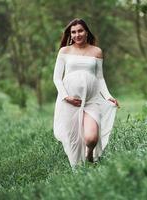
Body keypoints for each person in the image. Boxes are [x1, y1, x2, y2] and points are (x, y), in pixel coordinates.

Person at [53, 18, 119, 168]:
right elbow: (57, 78)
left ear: (86, 32)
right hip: (70, 101)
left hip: (91, 100)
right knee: (74, 138)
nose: (77, 35)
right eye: (73, 32)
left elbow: (100, 78)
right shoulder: (64, 51)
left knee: (91, 138)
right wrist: (66, 97)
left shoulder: (96, 51)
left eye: (80, 31)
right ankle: (78, 168)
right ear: (70, 34)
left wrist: (109, 97)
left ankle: (89, 156)